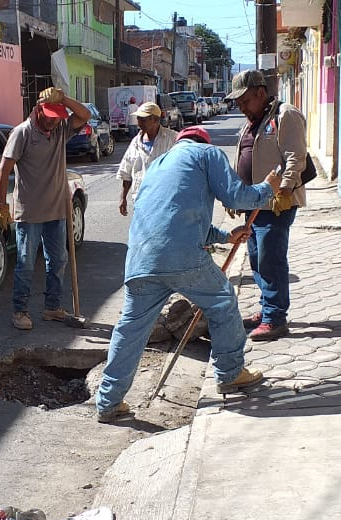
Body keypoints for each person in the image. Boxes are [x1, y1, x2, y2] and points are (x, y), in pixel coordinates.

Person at [94, 126, 282, 423]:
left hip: (141, 261)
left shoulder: (158, 165)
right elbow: (237, 197)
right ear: (201, 142)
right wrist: (268, 187)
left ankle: (108, 402)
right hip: (183, 258)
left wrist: (225, 236)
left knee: (130, 330)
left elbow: (174, 218)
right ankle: (230, 372)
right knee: (222, 302)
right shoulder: (207, 153)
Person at [0, 87, 91, 331]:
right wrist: (2, 205)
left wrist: (64, 98)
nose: (53, 120)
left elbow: (85, 115)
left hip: (58, 209)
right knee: (26, 263)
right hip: (30, 212)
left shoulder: (60, 129)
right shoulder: (22, 133)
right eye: (49, 115)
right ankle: (20, 311)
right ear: (38, 109)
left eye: (57, 116)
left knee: (58, 260)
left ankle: (52, 307)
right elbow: (4, 170)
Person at [227, 69, 309, 342]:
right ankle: (266, 309)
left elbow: (295, 157)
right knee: (256, 259)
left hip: (276, 203)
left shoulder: (285, 115)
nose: (240, 106)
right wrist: (235, 196)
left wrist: (285, 189)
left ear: (260, 93)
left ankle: (275, 318)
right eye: (237, 102)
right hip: (253, 202)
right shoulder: (253, 120)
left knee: (271, 259)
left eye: (244, 100)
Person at [115, 101, 179, 216]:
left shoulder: (172, 138)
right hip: (141, 201)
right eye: (138, 119)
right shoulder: (135, 142)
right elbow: (127, 172)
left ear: (155, 120)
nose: (139, 123)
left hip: (165, 202)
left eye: (143, 119)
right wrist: (122, 198)